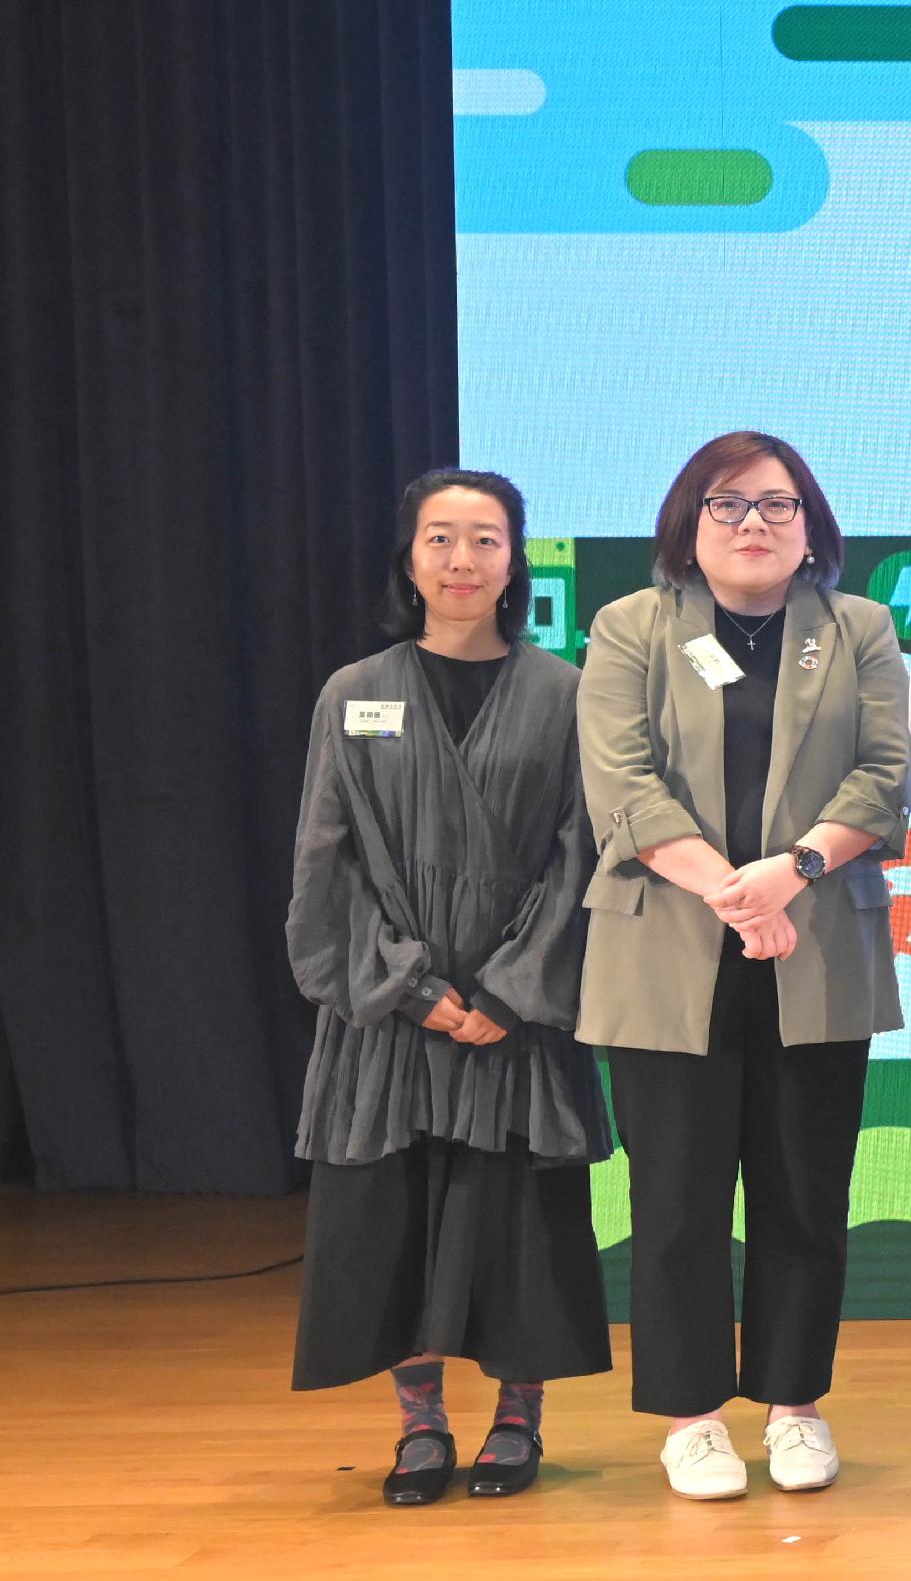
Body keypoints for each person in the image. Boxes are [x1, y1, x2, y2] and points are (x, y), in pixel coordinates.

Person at [577, 430, 911, 1500]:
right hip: (665, 949)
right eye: (728, 505)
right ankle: (689, 1417)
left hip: (815, 942)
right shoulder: (631, 625)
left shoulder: (855, 628)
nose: (754, 524)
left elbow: (886, 771)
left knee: (806, 1192)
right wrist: (733, 890)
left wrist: (793, 873)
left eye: (776, 505)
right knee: (675, 1199)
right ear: (688, 523)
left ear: (811, 525)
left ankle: (794, 1404)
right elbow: (620, 781)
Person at [287, 467, 613, 1504]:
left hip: (520, 1013)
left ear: (515, 560)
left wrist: (513, 989)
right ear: (410, 558)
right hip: (392, 1013)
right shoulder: (357, 692)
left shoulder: (566, 692)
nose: (462, 560)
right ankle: (419, 1425)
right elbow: (324, 862)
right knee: (397, 1219)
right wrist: (409, 986)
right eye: (441, 539)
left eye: (485, 539)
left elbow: (583, 856)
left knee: (520, 1224)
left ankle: (520, 1417)